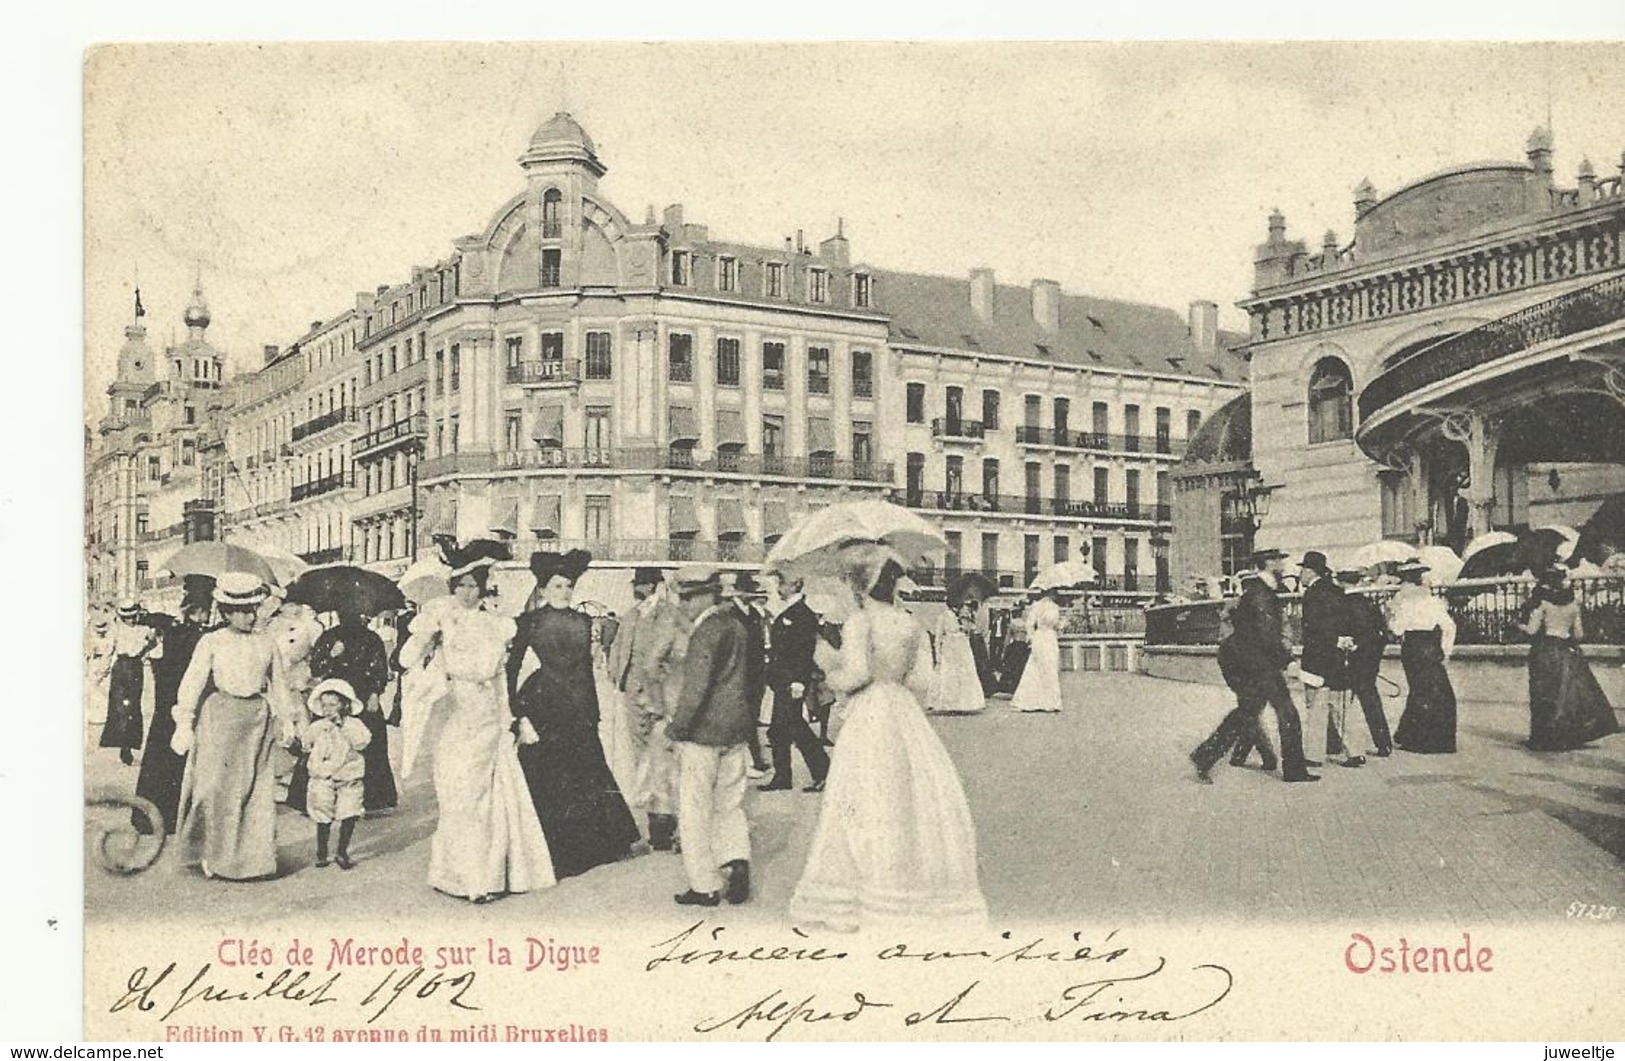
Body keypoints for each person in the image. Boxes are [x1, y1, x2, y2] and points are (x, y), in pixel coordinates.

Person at [790, 551, 987, 931]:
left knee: (861, 799)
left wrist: (827, 664)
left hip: (870, 714)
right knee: (906, 798)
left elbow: (856, 675)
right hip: (902, 711)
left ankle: (863, 893)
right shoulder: (910, 624)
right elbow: (921, 683)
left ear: (861, 585)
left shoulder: (860, 623)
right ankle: (908, 889)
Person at [398, 543, 554, 903]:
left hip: (487, 718)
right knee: (459, 796)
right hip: (454, 715)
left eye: (474, 585)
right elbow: (406, 660)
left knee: (487, 797)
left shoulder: (496, 625)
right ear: (452, 586)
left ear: (484, 587)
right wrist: (430, 640)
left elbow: (499, 679)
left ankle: (483, 877)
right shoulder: (439, 620)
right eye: (462, 585)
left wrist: (510, 720)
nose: (468, 592)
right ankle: (457, 874)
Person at [507, 550, 641, 880]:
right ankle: (558, 852)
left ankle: (596, 847)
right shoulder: (528, 622)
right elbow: (510, 670)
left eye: (568, 586)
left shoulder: (583, 621)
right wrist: (515, 711)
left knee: (585, 772)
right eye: (557, 586)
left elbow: (584, 669)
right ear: (543, 589)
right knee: (551, 777)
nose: (564, 591)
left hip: (579, 704)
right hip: (545, 704)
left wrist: (592, 711)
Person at [171, 574, 297, 880]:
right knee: (214, 789)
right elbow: (193, 680)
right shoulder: (211, 641)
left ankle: (253, 861)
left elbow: (279, 684)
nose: (250, 616)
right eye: (242, 610)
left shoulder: (267, 642)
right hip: (220, 717)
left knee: (254, 791)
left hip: (256, 720)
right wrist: (184, 722)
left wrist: (287, 719)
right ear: (226, 612)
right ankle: (211, 853)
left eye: (253, 608)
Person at [1190, 549, 1319, 784]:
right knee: (1287, 712)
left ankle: (1205, 756)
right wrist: (1287, 660)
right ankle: (1294, 771)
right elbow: (1266, 634)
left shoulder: (1258, 591)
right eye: (1279, 560)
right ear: (1269, 563)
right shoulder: (1261, 594)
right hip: (1258, 662)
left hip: (1247, 659)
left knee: (1247, 712)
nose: (1283, 564)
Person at [666, 568, 754, 907]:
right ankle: (736, 861)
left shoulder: (705, 631)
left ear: (706, 596)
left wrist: (677, 728)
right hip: (737, 728)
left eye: (688, 597)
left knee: (695, 809)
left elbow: (696, 688)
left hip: (703, 733)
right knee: (730, 804)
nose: (684, 604)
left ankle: (705, 885)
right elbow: (753, 680)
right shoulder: (737, 626)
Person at [608, 567, 688, 852]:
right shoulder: (631, 614)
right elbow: (618, 646)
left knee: (665, 756)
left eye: (641, 583)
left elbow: (678, 653)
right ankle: (658, 824)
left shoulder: (669, 614)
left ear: (655, 585)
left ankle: (671, 824)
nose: (636, 588)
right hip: (632, 693)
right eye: (636, 583)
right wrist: (616, 673)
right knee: (642, 756)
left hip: (659, 693)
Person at [133, 577, 215, 835]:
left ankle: (152, 816)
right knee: (180, 759)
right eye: (202, 609)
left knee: (161, 759)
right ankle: (178, 816)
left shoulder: (173, 632)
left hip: (166, 704)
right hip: (182, 702)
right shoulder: (200, 637)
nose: (205, 614)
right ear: (195, 609)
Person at [1517, 566, 1621, 751]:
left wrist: (1519, 626)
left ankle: (1544, 737)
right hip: (1567, 649)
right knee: (1567, 695)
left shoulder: (1544, 604)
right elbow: (1579, 634)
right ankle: (1569, 734)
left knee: (1545, 693)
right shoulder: (1573, 604)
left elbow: (1532, 631)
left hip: (1547, 649)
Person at [310, 604, 397, 813]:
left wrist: (376, 692)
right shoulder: (329, 637)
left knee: (369, 743)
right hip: (334, 695)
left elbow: (379, 668)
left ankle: (374, 799)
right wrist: (331, 655)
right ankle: (324, 799)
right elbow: (316, 667)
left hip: (362, 693)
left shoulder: (371, 638)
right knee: (327, 742)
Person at [759, 571, 831, 793]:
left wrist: (799, 681)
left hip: (792, 682)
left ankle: (823, 772)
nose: (779, 587)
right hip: (783, 680)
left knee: (796, 728)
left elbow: (803, 651)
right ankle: (783, 776)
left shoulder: (802, 614)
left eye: (782, 583)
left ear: (796, 585)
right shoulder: (790, 611)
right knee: (780, 729)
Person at [1299, 551, 1369, 768]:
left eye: (1302, 570)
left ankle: (1313, 755)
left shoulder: (1312, 594)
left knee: (1317, 709)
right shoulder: (1338, 591)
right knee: (1341, 708)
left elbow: (1314, 628)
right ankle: (1356, 752)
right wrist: (1345, 640)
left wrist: (1331, 640)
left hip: (1317, 659)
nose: (1300, 574)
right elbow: (1352, 622)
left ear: (1310, 571)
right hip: (1339, 659)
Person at [1387, 560, 1458, 754]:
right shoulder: (1432, 600)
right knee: (1440, 692)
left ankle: (1416, 738)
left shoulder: (1402, 601)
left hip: (1412, 647)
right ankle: (1439, 740)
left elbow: (1397, 629)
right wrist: (1446, 651)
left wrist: (1391, 615)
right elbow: (1449, 627)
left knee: (1418, 690)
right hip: (1431, 646)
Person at [302, 678, 371, 870]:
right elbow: (306, 743)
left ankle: (342, 851)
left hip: (349, 776)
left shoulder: (354, 725)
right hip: (323, 777)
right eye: (324, 705)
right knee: (322, 810)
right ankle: (322, 851)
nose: (328, 709)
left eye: (333, 704)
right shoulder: (318, 726)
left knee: (349, 811)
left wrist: (343, 727)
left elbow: (363, 742)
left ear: (344, 705)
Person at [1337, 568, 1394, 757]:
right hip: (1370, 658)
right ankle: (1383, 742)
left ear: (1341, 583)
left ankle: (1337, 743)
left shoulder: (1341, 604)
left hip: (1350, 658)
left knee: (1341, 702)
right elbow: (1383, 632)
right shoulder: (1369, 603)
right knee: (1370, 699)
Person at [102, 599, 158, 765]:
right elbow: (109, 649)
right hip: (120, 668)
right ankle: (122, 744)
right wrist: (103, 668)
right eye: (128, 617)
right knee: (120, 707)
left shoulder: (144, 630)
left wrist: (143, 650)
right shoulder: (116, 629)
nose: (131, 620)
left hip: (135, 668)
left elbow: (153, 643)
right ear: (122, 617)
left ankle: (128, 746)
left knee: (133, 707)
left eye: (133, 616)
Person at [729, 572, 774, 777]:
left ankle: (756, 759)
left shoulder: (754, 615)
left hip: (756, 676)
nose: (753, 595)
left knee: (751, 719)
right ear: (739, 592)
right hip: (738, 676)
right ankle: (750, 760)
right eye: (750, 591)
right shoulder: (731, 614)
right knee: (740, 719)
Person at [928, 602, 988, 715]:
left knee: (964, 673)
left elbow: (970, 631)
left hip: (963, 647)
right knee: (950, 674)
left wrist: (967, 621)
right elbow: (938, 636)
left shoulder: (965, 615)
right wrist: (938, 654)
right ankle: (949, 703)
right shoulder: (944, 616)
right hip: (950, 647)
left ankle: (964, 703)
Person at [1011, 587, 1064, 713]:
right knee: (1048, 667)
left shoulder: (1038, 606)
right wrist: (1062, 625)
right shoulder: (1052, 607)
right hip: (1047, 637)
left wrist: (1032, 637)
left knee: (1038, 667)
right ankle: (1049, 701)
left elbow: (1029, 624)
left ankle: (1035, 700)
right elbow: (1055, 625)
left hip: (1042, 637)